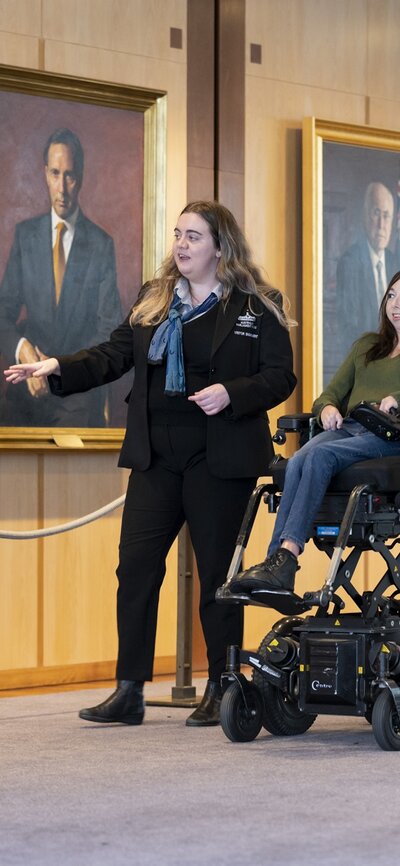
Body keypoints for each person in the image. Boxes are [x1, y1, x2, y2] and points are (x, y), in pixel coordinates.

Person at [4, 200, 296, 727]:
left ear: (220, 247)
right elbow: (113, 355)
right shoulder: (155, 300)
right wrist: (56, 366)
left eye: (194, 237)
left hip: (219, 457)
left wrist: (232, 393)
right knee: (135, 569)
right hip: (155, 456)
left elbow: (281, 377)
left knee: (216, 578)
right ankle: (129, 688)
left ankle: (222, 685)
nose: (181, 245)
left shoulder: (257, 306)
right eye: (178, 234)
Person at [231, 269, 400, 598]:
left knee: (321, 455)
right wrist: (326, 409)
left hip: (389, 436)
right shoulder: (368, 347)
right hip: (351, 426)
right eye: (392, 296)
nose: (395, 305)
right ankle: (274, 562)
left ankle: (289, 553)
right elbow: (328, 395)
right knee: (297, 461)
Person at [0, 127, 121, 427]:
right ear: (44, 174)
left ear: (80, 177)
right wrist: (23, 351)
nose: (62, 187)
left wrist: (59, 370)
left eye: (69, 175)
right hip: (26, 385)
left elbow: (108, 330)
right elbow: (2, 314)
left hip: (76, 391)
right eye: (55, 173)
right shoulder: (25, 236)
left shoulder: (101, 245)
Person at [335, 181, 395, 363]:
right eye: (376, 213)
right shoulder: (349, 262)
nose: (381, 224)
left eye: (387, 216)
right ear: (365, 216)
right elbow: (349, 328)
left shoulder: (395, 263)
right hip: (366, 362)